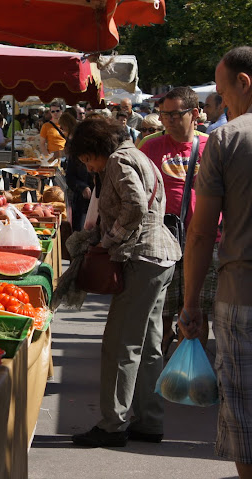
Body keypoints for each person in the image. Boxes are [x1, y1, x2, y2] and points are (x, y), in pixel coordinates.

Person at [68, 118, 181, 448]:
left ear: (97, 148)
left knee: (120, 345)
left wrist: (108, 241)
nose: (89, 165)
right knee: (148, 346)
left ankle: (112, 424)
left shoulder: (118, 160)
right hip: (160, 258)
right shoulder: (140, 155)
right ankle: (149, 419)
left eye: (88, 159)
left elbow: (134, 205)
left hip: (141, 260)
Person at [178, 46, 252, 479]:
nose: (221, 105)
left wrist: (190, 305)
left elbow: (202, 232)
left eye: (222, 95)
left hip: (242, 297)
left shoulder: (228, 139)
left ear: (244, 84)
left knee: (245, 417)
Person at [139, 86, 216, 355]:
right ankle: (158, 374)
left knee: (197, 313)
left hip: (205, 241)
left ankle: (186, 375)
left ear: (195, 113)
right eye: (163, 114)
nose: (167, 120)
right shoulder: (150, 147)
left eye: (174, 114)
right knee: (162, 311)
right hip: (164, 240)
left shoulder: (213, 145)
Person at [60, 113, 93, 231]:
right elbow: (70, 177)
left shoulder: (105, 156)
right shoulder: (76, 152)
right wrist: (82, 187)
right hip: (82, 204)